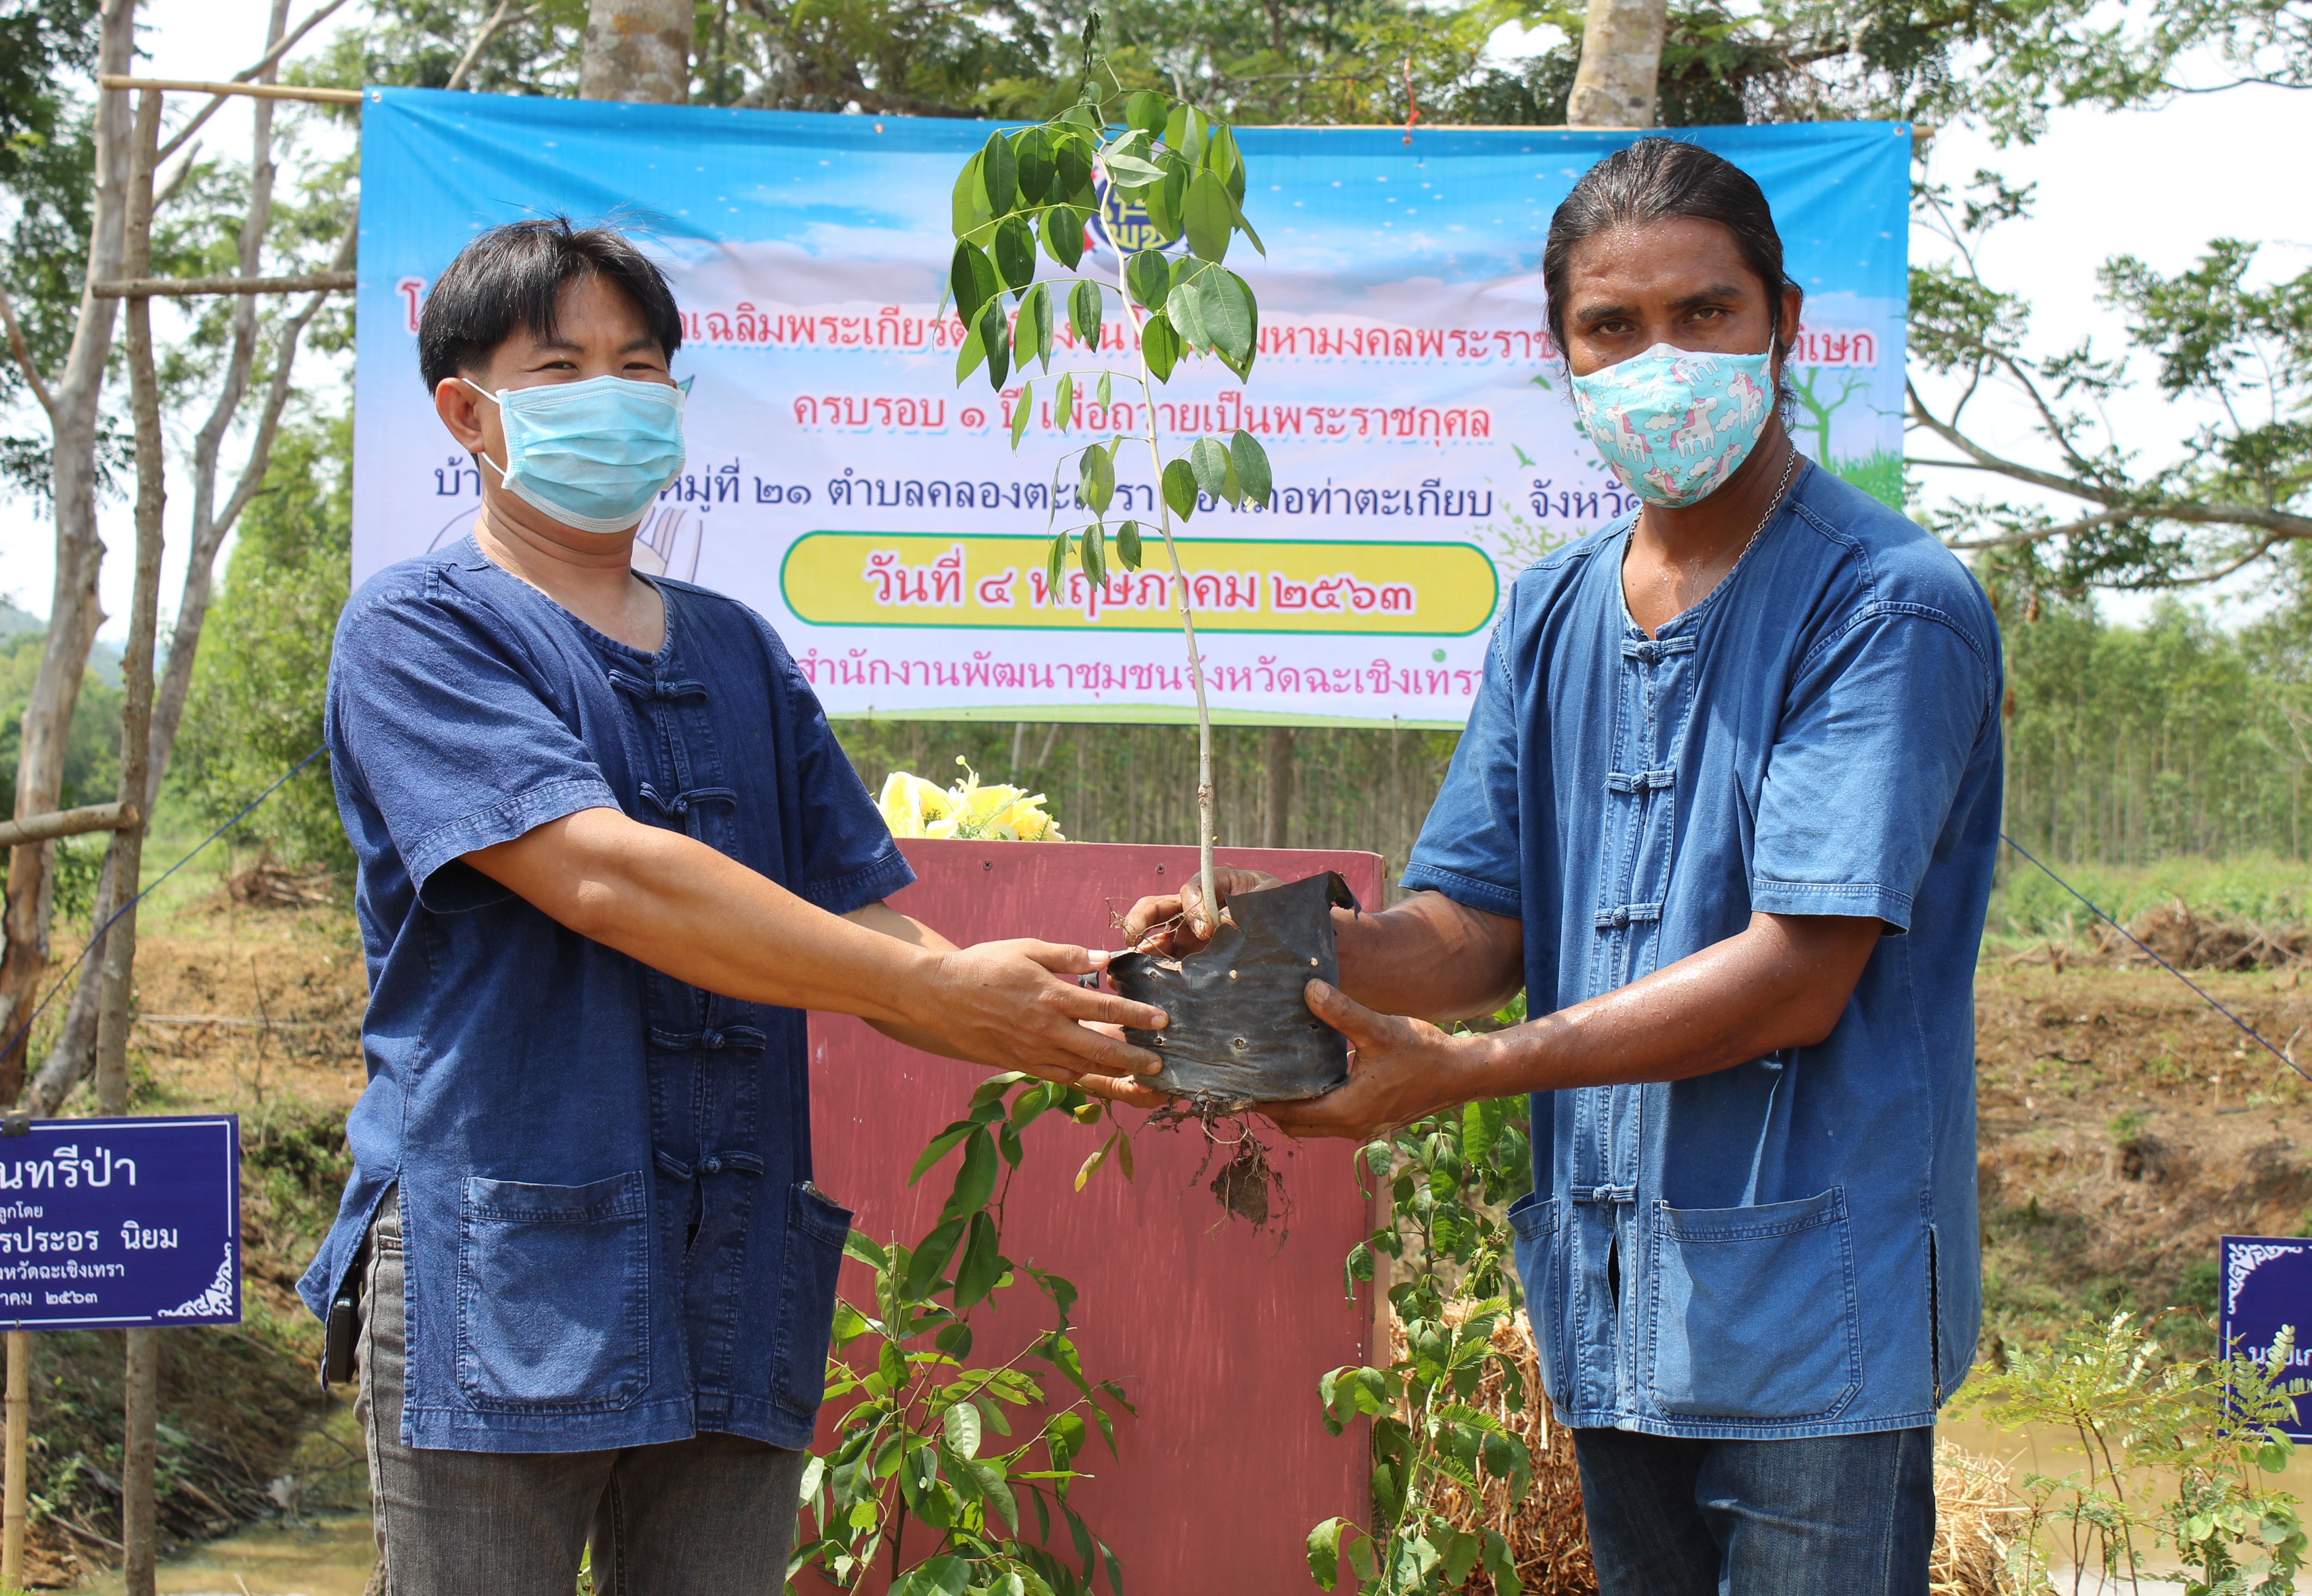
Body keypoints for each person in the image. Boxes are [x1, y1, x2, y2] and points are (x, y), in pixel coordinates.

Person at [1129, 139, 2000, 1596]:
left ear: (1785, 322)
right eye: (1613, 327)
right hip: (1612, 1300)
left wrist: (1459, 1074)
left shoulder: (1887, 607)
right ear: (1566, 356)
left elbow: (1798, 978)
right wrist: (1274, 952)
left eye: (1704, 315)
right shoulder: (1552, 611)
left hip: (1815, 1319)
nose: (1662, 358)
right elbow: (1474, 925)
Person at [296, 216, 1167, 1596]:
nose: (615, 397)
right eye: (563, 366)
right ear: (466, 410)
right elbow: (604, 873)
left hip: (729, 1256)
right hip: (503, 1263)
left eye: (640, 366)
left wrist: (1063, 1020)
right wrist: (934, 988)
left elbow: (875, 926)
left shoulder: (737, 650)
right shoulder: (418, 627)